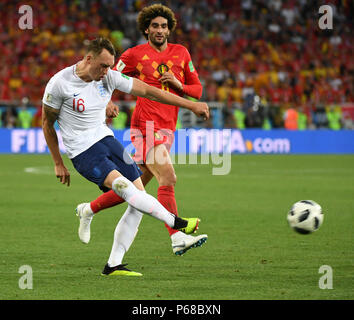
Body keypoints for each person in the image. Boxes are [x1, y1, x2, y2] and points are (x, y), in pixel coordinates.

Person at [42, 37, 209, 276]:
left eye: (110, 66)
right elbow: (47, 124)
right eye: (103, 65)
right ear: (89, 59)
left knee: (138, 201)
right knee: (124, 188)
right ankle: (176, 224)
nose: (107, 71)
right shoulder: (59, 84)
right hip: (82, 151)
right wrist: (58, 162)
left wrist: (190, 105)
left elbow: (150, 91)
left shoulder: (108, 77)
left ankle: (113, 264)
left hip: (106, 140)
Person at [79, 4, 208, 256]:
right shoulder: (134, 55)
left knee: (134, 189)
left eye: (163, 26)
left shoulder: (181, 53)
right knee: (168, 177)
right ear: (146, 29)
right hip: (145, 124)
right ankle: (177, 236)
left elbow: (197, 90)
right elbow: (105, 77)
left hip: (168, 125)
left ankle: (88, 210)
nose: (159, 30)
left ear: (169, 29)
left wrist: (177, 83)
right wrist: (108, 100)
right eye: (155, 26)